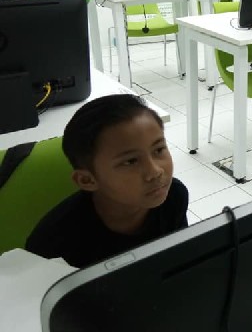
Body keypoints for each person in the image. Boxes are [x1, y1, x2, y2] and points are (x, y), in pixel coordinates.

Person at [26, 94, 189, 268]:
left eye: (159, 150)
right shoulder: (53, 243)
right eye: (130, 161)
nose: (155, 172)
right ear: (87, 180)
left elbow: (182, 263)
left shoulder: (174, 196)